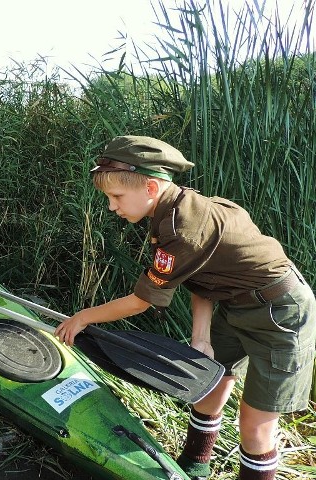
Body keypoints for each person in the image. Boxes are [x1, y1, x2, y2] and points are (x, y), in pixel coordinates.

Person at [55, 135, 316, 480]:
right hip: (235, 305)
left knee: (254, 427)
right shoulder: (173, 209)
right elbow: (204, 279)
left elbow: (141, 302)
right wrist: (201, 336)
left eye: (116, 196)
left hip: (281, 314)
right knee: (207, 389)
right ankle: (194, 466)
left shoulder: (184, 228)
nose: (111, 207)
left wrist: (84, 317)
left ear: (150, 187)